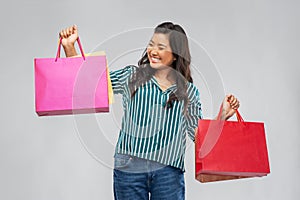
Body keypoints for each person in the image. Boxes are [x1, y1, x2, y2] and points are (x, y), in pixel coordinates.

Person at [59, 22, 240, 200]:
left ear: (176, 54)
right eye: (151, 44)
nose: (153, 51)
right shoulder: (132, 76)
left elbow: (198, 136)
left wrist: (222, 116)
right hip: (129, 166)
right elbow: (92, 85)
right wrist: (70, 48)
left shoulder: (189, 92)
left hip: (168, 171)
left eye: (161, 47)